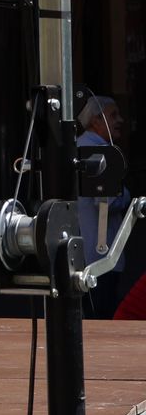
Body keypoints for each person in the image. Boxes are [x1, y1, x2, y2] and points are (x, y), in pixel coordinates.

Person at [77, 94, 130, 318]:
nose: (120, 121)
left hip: (84, 254)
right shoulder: (98, 152)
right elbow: (109, 201)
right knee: (101, 317)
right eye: (113, 115)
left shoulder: (80, 146)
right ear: (96, 121)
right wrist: (127, 195)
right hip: (100, 257)